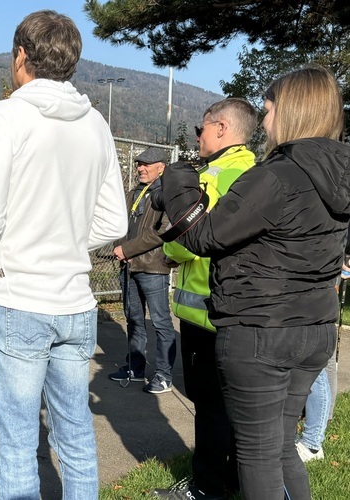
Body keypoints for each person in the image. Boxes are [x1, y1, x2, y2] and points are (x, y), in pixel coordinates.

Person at [157, 66, 348, 500]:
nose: (264, 122)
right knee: (280, 448)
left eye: (268, 110)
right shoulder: (336, 176)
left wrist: (180, 180)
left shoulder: (277, 176)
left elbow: (202, 236)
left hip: (262, 331)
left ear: (293, 112)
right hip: (314, 327)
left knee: (259, 455)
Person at [0, 11, 128, 499]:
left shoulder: (6, 115)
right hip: (75, 302)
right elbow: (115, 223)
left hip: (20, 296)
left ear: (21, 55)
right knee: (75, 432)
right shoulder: (97, 123)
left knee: (18, 443)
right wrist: (67, 240)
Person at [153, 98, 258, 500]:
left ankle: (207, 488)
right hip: (240, 310)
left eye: (202, 128)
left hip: (205, 312)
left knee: (210, 405)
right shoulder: (256, 172)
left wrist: (169, 250)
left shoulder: (213, 176)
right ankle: (235, 480)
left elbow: (190, 236)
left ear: (221, 128)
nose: (198, 137)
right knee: (235, 406)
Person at [108, 147, 176, 394]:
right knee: (134, 319)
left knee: (161, 322)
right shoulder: (133, 193)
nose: (140, 168)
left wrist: (126, 249)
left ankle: (164, 376)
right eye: (139, 163)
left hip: (153, 267)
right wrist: (118, 250)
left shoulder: (168, 193)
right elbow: (120, 225)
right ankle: (135, 369)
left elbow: (163, 232)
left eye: (147, 164)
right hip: (129, 266)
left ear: (162, 167)